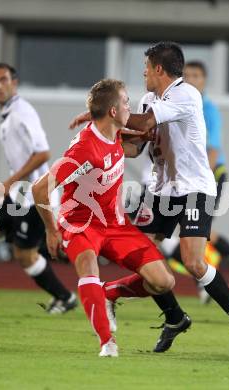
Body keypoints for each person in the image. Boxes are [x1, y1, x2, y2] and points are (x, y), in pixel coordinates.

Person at [69, 42, 229, 354]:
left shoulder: (185, 94)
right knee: (144, 259)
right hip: (160, 192)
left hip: (195, 188)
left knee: (194, 262)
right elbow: (135, 145)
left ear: (159, 69)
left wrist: (100, 113)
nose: (143, 73)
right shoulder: (148, 99)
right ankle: (174, 317)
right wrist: (102, 138)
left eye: (146, 67)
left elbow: (142, 123)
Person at [32, 79, 177, 357]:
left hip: (115, 223)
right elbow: (40, 188)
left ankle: (107, 293)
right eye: (125, 102)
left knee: (164, 282)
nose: (129, 106)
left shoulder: (115, 133)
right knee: (88, 265)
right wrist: (51, 230)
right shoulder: (85, 149)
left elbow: (127, 145)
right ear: (112, 111)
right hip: (80, 223)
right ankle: (107, 342)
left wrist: (147, 137)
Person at [0, 63, 77, 314]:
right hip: (18, 193)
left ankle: (65, 298)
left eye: (3, 79)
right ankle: (2, 237)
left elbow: (43, 153)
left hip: (36, 198)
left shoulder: (22, 111)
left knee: (24, 256)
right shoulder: (8, 114)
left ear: (14, 82)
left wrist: (9, 182)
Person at [180, 60, 229, 300]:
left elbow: (212, 149)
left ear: (204, 81)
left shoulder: (208, 110)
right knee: (198, 229)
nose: (191, 79)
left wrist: (199, 178)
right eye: (187, 75)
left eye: (196, 75)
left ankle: (209, 280)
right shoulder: (183, 105)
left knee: (196, 229)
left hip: (210, 174)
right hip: (193, 176)